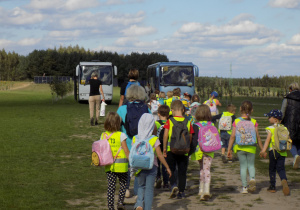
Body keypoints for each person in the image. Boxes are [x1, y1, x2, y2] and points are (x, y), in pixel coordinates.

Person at [117, 85, 150, 198]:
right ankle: (137, 190)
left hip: (125, 143)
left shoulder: (122, 109)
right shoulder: (146, 108)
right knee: (138, 168)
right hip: (140, 143)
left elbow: (117, 126)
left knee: (126, 168)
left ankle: (125, 189)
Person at [133, 113, 171, 210]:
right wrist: (166, 167)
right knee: (149, 190)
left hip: (139, 166)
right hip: (151, 167)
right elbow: (159, 155)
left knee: (141, 186)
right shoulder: (154, 139)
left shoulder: (135, 138)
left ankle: (139, 204)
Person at [227, 101, 263, 194]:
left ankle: (244, 188)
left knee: (243, 167)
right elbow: (258, 136)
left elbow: (232, 136)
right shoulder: (254, 121)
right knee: (251, 165)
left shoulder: (237, 121)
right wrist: (262, 149)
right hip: (251, 147)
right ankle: (252, 178)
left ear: (240, 109)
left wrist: (229, 149)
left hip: (240, 147)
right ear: (252, 110)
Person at [163, 100, 194, 199]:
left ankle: (173, 185)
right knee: (182, 171)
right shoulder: (188, 122)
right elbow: (190, 136)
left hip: (171, 150)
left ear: (172, 110)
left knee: (171, 169)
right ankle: (181, 191)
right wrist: (188, 147)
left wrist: (164, 148)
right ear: (183, 110)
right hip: (184, 150)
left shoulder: (169, 121)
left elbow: (165, 135)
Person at [102, 112, 130, 210]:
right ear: (118, 123)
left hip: (109, 165)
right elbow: (126, 150)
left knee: (111, 187)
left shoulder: (103, 135)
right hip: (121, 166)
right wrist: (131, 160)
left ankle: (110, 207)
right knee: (123, 184)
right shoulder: (121, 135)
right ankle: (120, 203)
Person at [259, 109, 290, 196]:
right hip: (282, 152)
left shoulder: (270, 129)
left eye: (270, 117)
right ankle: (284, 180)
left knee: (272, 168)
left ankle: (272, 186)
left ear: (275, 119)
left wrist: (263, 150)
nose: (268, 118)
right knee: (281, 168)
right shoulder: (284, 128)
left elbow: (267, 140)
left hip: (273, 151)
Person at [191, 104, 215, 201]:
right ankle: (206, 190)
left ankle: (201, 190)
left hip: (199, 150)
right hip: (209, 150)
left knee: (201, 169)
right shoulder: (212, 125)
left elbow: (194, 139)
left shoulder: (196, 125)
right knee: (207, 169)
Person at [281, 82, 300, 169]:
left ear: (290, 89)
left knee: (290, 141)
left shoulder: (287, 98)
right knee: (299, 142)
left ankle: (296, 156)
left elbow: (282, 112)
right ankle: (298, 161)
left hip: (290, 123)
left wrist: (280, 122)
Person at [154, 105, 170, 189]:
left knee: (157, 163)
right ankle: (166, 182)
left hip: (157, 146)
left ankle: (158, 178)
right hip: (166, 146)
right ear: (168, 115)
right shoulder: (169, 123)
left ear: (158, 114)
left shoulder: (156, 123)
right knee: (165, 164)